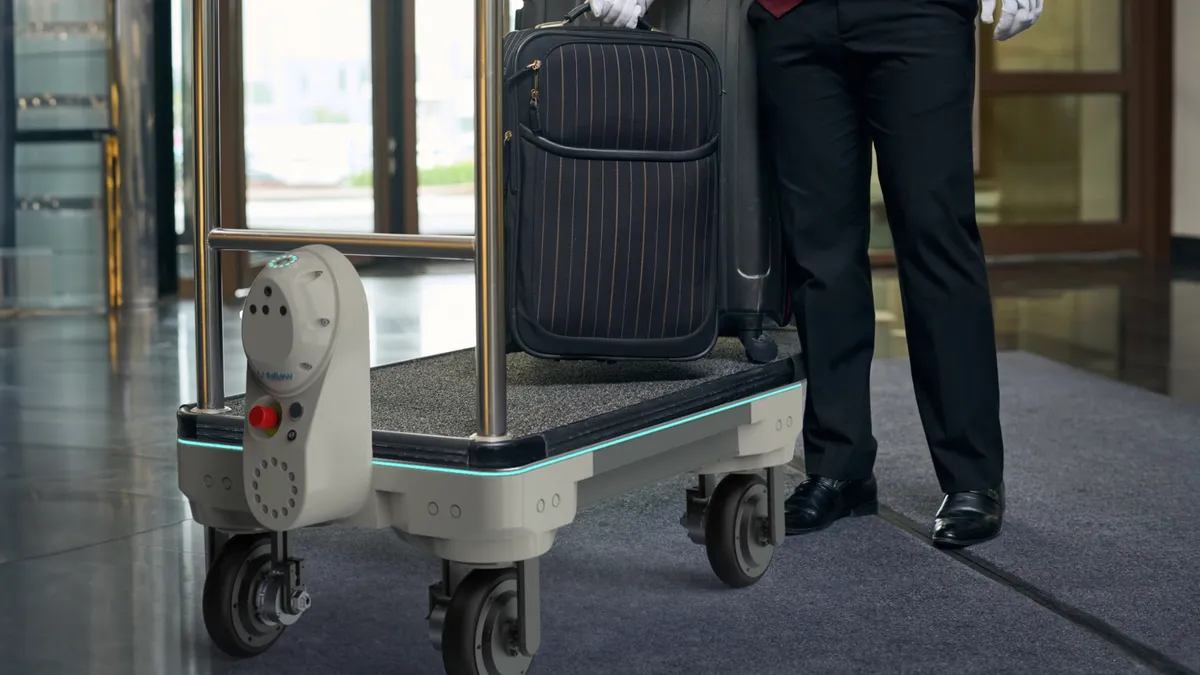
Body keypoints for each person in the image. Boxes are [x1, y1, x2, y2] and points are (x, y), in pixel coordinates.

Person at [590, 0, 1042, 548]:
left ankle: (972, 477)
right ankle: (840, 468)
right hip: (795, 19)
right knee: (818, 252)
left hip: (917, 17)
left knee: (936, 238)